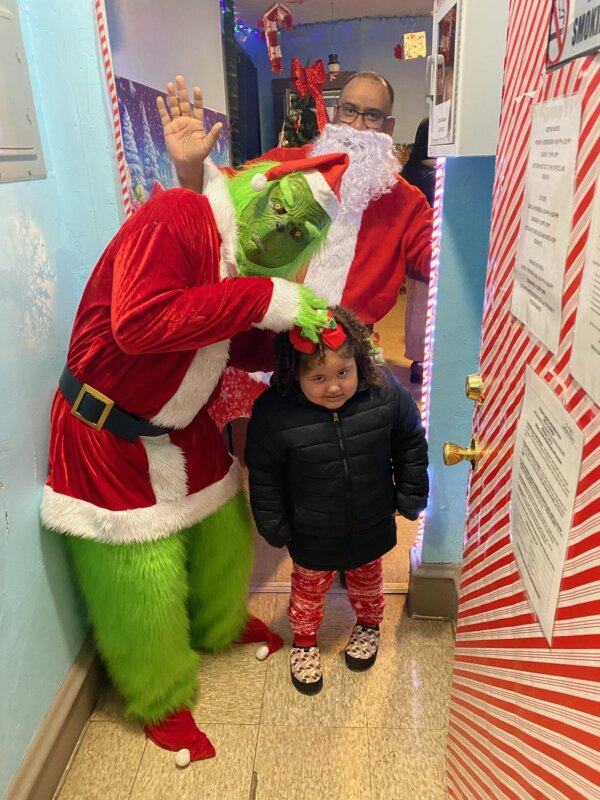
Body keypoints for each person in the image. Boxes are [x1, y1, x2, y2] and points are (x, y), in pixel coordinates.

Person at [41, 128, 352, 761]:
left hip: (182, 423)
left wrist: (300, 336)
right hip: (107, 430)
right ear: (256, 189)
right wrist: (265, 298)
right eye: (282, 209)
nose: (283, 230)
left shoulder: (238, 264)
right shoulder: (179, 213)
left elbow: (227, 340)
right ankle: (159, 696)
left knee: (224, 529)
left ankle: (220, 624)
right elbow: (139, 323)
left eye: (300, 231)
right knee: (139, 575)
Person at [244, 306, 429, 694]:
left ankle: (368, 625)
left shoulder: (384, 392)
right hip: (311, 527)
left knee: (367, 579)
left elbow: (410, 439)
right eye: (318, 378)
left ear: (358, 361)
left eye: (343, 373)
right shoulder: (275, 412)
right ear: (295, 374)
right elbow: (264, 471)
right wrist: (273, 523)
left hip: (371, 516)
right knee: (308, 588)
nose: (333, 387)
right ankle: (305, 641)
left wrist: (411, 492)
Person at [161, 73, 433, 327]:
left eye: (372, 116)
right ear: (335, 114)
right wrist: (189, 168)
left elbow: (437, 258)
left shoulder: (406, 203)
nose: (357, 127)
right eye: (349, 111)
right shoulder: (286, 163)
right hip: (269, 331)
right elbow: (225, 193)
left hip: (346, 343)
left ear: (389, 126)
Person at [400, 117, 436, 384]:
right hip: (430, 246)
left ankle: (417, 361)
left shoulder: (409, 169)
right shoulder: (435, 173)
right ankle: (425, 363)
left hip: (412, 248)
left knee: (416, 305)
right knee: (428, 307)